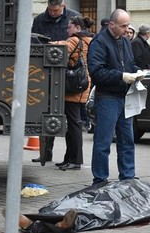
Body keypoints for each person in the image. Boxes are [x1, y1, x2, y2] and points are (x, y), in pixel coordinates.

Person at [87, 9, 142, 185]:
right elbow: (96, 72)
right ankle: (100, 179)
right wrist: (122, 76)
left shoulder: (125, 42)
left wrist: (136, 72)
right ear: (111, 25)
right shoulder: (99, 42)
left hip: (124, 97)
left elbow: (129, 63)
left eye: (128, 25)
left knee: (127, 140)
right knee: (103, 142)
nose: (127, 30)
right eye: (123, 26)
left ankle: (127, 177)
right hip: (107, 97)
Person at [30, 0, 80, 164]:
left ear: (63, 6)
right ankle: (45, 153)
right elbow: (33, 43)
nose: (52, 12)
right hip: (44, 71)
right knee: (44, 112)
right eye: (50, 10)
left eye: (55, 10)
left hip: (68, 72)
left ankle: (71, 157)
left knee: (70, 116)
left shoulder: (74, 17)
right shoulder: (39, 20)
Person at [50, 16, 94, 170]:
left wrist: (47, 43)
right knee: (73, 122)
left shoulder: (75, 40)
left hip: (74, 86)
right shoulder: (90, 40)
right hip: (82, 83)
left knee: (74, 123)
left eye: (69, 27)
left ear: (76, 27)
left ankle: (75, 160)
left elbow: (59, 47)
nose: (67, 30)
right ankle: (69, 158)